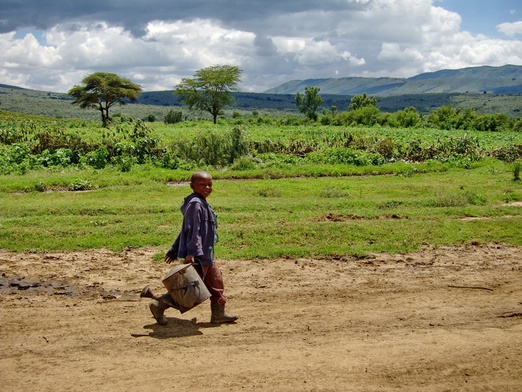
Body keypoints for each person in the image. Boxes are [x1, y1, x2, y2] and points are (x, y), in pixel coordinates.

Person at [143, 171, 238, 325]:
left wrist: (174, 249)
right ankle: (158, 305)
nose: (207, 187)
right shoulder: (195, 204)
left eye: (209, 184)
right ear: (192, 186)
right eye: (202, 185)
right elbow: (192, 230)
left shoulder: (200, 202)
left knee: (216, 283)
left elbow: (186, 230)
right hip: (199, 255)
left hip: (207, 254)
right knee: (189, 288)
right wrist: (191, 253)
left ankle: (218, 315)